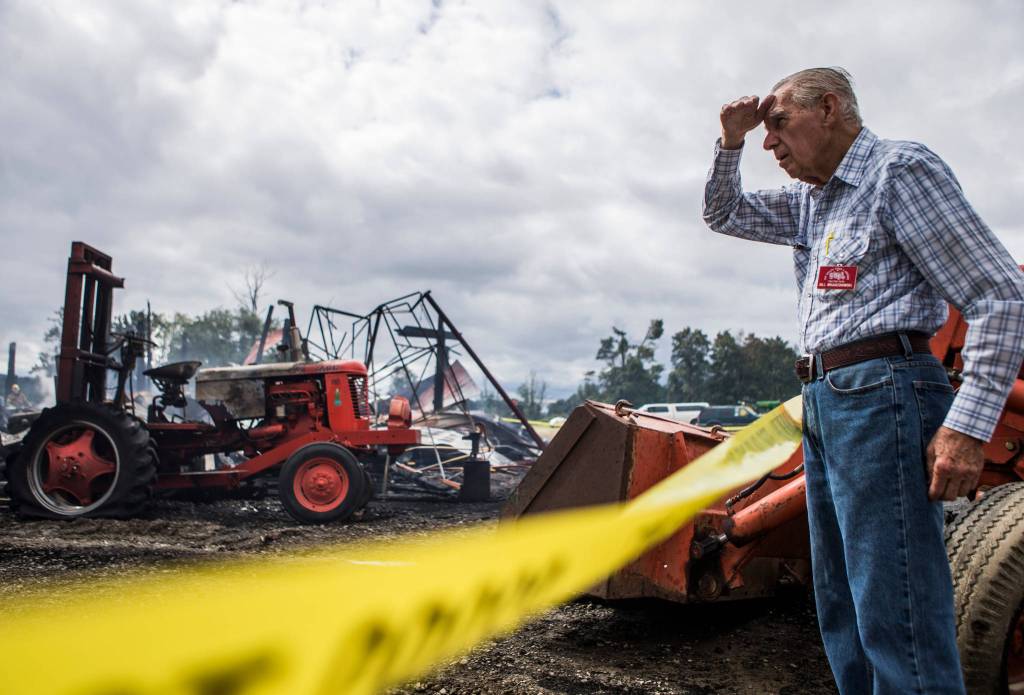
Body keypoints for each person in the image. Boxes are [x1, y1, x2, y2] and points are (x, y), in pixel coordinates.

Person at [702, 67, 1024, 694]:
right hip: (828, 400)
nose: (770, 144)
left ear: (828, 109)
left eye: (777, 125)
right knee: (843, 605)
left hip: (886, 394)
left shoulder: (897, 172)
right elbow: (724, 212)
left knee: (894, 606)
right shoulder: (812, 203)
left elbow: (1000, 297)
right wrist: (730, 142)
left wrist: (966, 427)